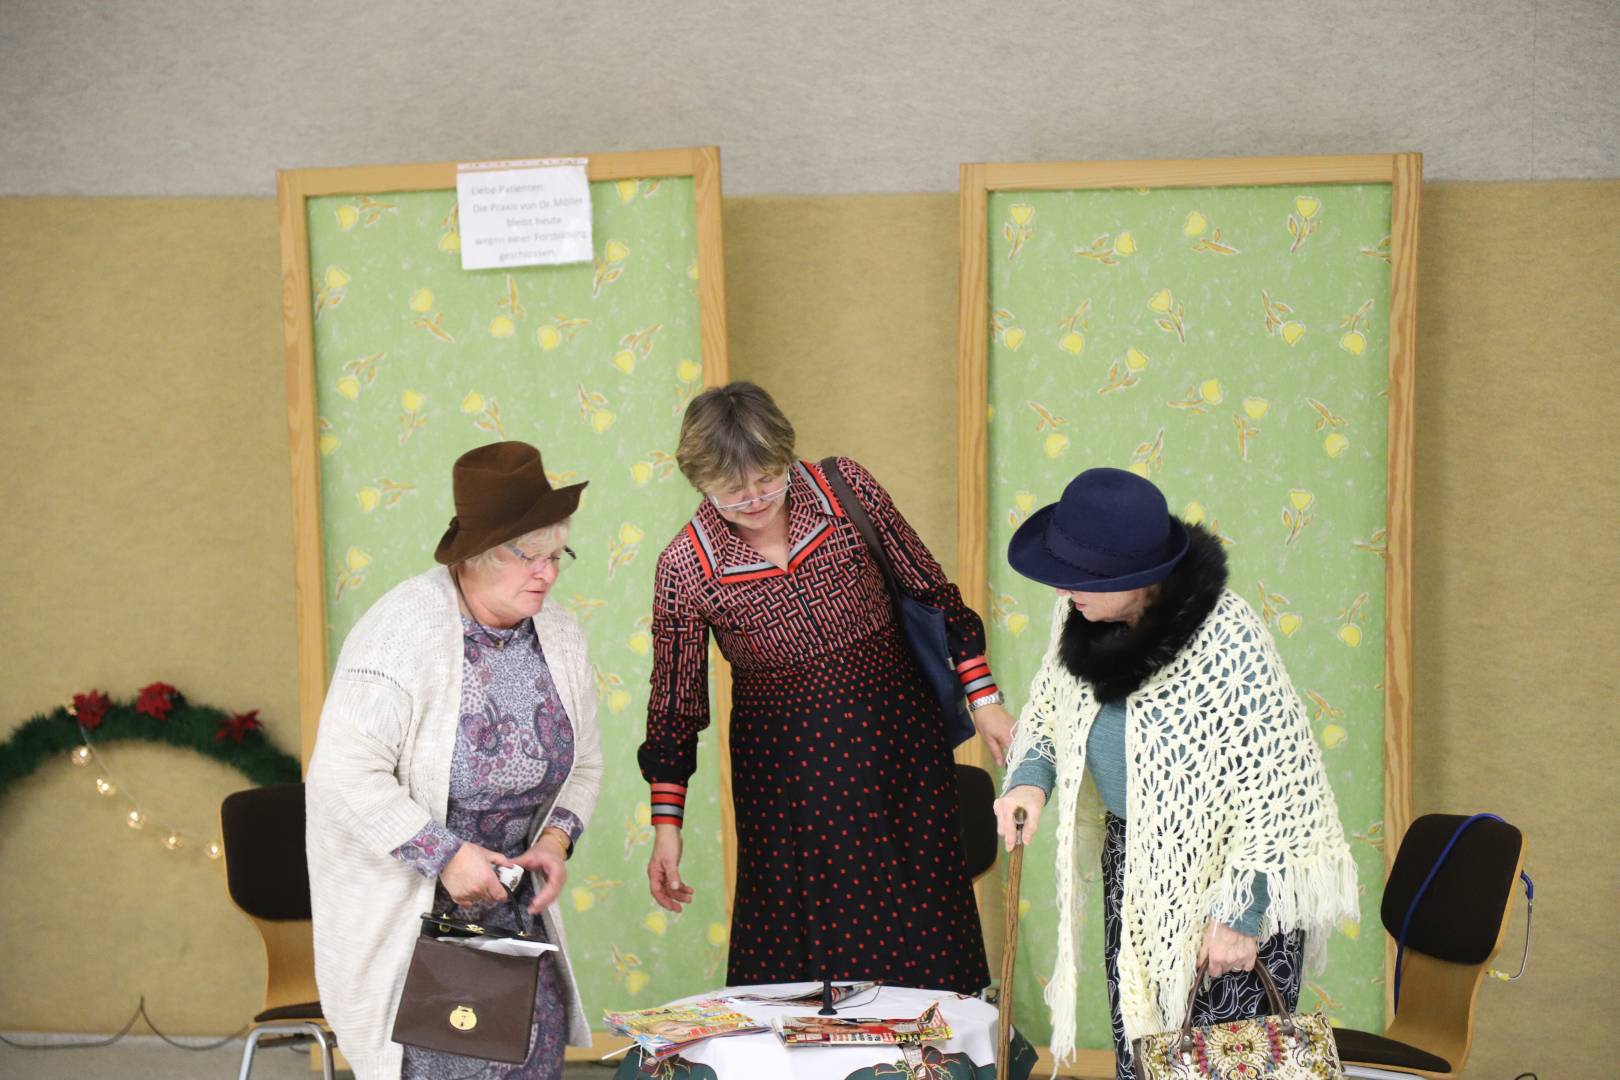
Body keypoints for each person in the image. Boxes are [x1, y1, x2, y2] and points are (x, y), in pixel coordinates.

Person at [637, 381, 1013, 995]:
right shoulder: (685, 566)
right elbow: (675, 709)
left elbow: (935, 596)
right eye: (732, 492)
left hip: (902, 759)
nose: (755, 499)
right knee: (816, 973)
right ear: (699, 481)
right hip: (789, 791)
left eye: (768, 479)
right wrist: (666, 826)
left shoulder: (845, 490)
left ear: (787, 456)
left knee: (929, 944)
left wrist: (986, 702)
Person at [992, 467, 1357, 1077]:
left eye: (1078, 580)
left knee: (1222, 1066)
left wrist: (1239, 919)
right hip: (1133, 868)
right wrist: (1030, 777)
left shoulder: (1227, 640)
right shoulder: (1080, 620)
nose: (1062, 593)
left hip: (1230, 887)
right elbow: (1048, 713)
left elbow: (1274, 791)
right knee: (1146, 1054)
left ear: (1136, 579)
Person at [306, 441, 604, 1080]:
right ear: (476, 555)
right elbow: (340, 774)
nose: (547, 574)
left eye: (557, 556)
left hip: (516, 926)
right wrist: (446, 856)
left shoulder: (561, 635)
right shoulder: (402, 631)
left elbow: (585, 765)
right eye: (530, 556)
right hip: (417, 931)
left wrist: (554, 841)